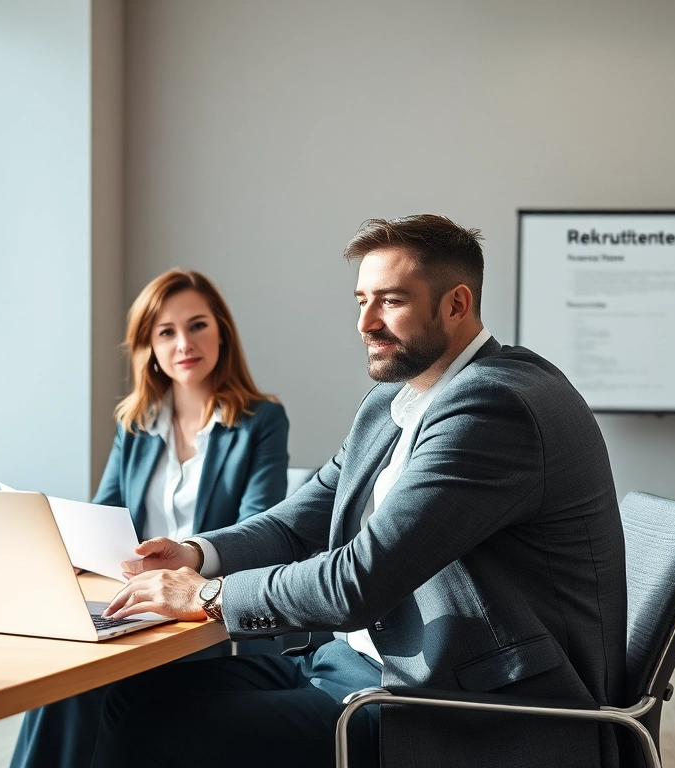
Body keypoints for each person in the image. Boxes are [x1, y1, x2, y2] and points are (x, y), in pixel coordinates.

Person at [76, 214, 629, 768]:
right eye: (361, 300)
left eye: (391, 301)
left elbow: (357, 582)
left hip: (455, 705)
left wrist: (206, 595)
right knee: (129, 698)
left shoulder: (496, 407)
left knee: (156, 731)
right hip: (357, 666)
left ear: (457, 304)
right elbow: (300, 520)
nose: (366, 322)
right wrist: (198, 553)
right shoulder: (396, 402)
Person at [10, 268, 291, 768]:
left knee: (87, 687)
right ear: (150, 348)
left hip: (198, 613)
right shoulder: (135, 424)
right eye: (166, 332)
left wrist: (186, 572)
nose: (184, 342)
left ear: (221, 331)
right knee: (66, 681)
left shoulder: (260, 421)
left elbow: (259, 529)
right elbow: (103, 514)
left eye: (198, 325)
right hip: (133, 604)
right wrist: (70, 550)